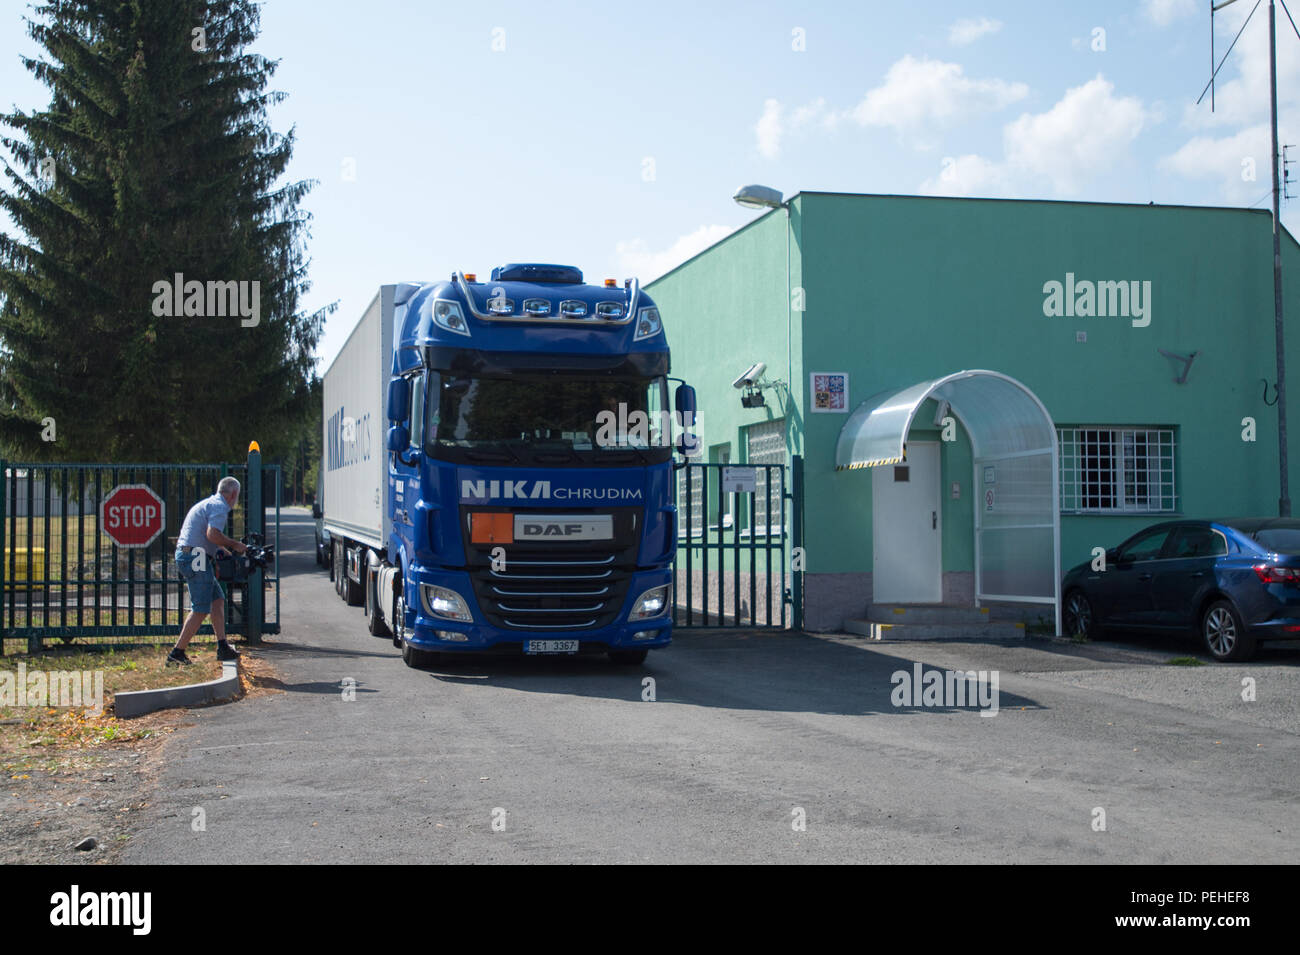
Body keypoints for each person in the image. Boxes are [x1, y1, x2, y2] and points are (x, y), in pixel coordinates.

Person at [168, 476, 247, 665]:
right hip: (195, 557)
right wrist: (235, 544)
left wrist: (228, 550)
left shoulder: (209, 503)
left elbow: (210, 539)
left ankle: (222, 646)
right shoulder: (220, 507)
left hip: (192, 554)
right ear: (234, 494)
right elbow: (212, 534)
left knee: (217, 600)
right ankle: (176, 653)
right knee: (200, 609)